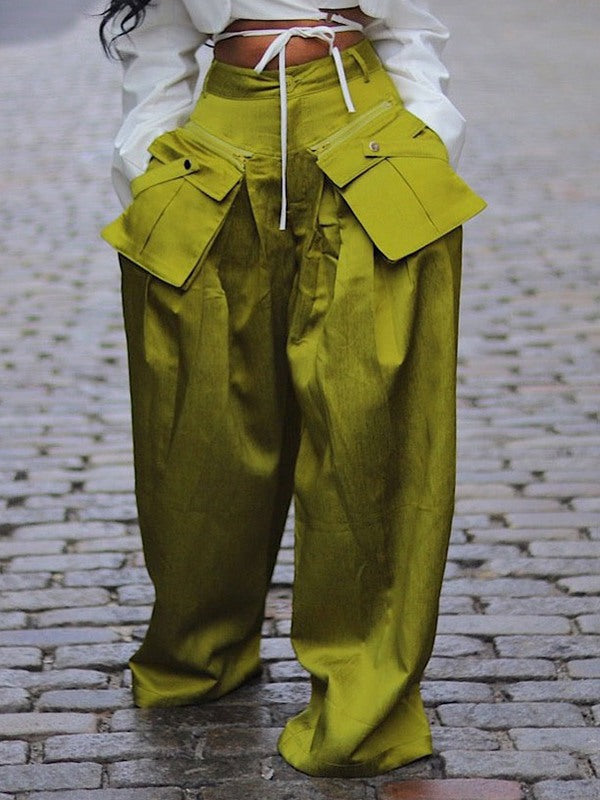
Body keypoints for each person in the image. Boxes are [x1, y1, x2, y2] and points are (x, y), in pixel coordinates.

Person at [99, 0, 485, 778]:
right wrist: (146, 167)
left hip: (363, 135)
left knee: (367, 431)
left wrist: (428, 139)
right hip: (215, 146)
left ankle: (364, 702)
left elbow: (408, 28)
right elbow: (159, 44)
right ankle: (201, 650)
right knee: (200, 431)